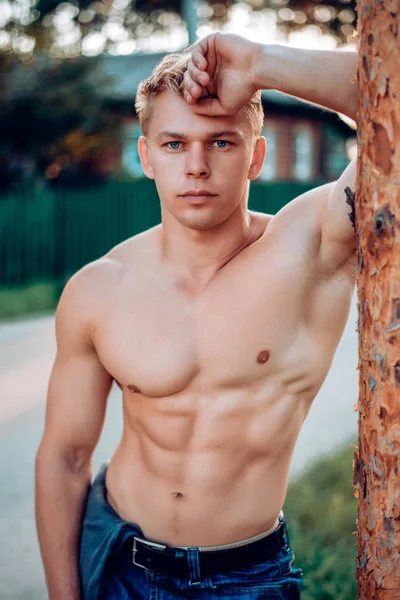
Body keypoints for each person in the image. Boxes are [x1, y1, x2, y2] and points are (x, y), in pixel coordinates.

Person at [35, 31, 358, 600]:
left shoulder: (314, 245)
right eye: (175, 144)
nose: (198, 167)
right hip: (117, 563)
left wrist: (260, 64)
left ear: (256, 155)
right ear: (146, 156)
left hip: (248, 576)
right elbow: (65, 457)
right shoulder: (99, 288)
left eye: (222, 143)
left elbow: (389, 100)